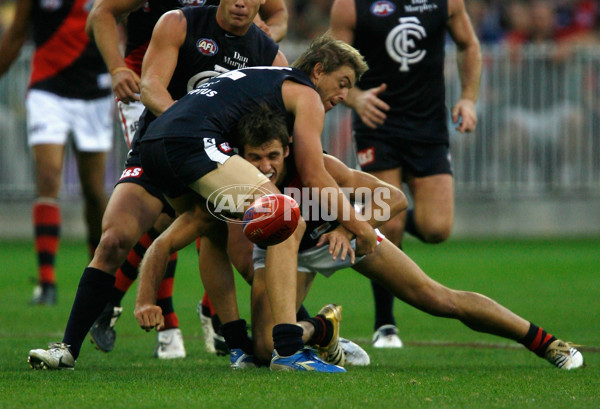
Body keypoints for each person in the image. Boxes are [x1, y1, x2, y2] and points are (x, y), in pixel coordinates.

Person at [27, 0, 286, 370]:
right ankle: (67, 348)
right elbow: (150, 87)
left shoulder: (268, 55)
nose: (241, 3)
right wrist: (193, 130)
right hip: (162, 145)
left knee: (238, 251)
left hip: (216, 160)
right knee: (114, 238)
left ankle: (278, 336)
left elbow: (282, 112)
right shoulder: (178, 23)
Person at [241, 105, 584, 371]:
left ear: (287, 149)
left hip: (343, 239)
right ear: (242, 155)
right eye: (254, 157)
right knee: (264, 349)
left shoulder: (317, 165)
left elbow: (395, 198)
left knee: (438, 299)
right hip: (285, 251)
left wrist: (349, 228)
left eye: (272, 155)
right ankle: (322, 329)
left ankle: (547, 343)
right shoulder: (236, 180)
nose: (264, 166)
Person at [132, 35, 376, 372]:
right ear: (318, 70)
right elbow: (314, 174)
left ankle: (237, 348)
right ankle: (290, 351)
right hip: (191, 140)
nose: (344, 95)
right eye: (343, 83)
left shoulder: (265, 79)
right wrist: (359, 226)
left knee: (209, 228)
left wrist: (145, 299)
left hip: (154, 142)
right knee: (285, 215)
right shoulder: (306, 94)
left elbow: (164, 243)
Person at [329, 0, 482, 348]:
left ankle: (360, 223)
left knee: (436, 228)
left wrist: (469, 98)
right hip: (377, 123)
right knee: (390, 222)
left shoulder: (445, 2)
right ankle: (385, 323)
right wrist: (356, 98)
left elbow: (468, 43)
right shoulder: (350, 6)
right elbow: (330, 66)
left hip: (428, 125)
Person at [0, 0, 113, 306]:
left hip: (95, 91)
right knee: (48, 177)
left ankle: (96, 276)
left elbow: (125, 25)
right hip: (48, 88)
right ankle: (46, 282)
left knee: (93, 190)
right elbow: (17, 33)